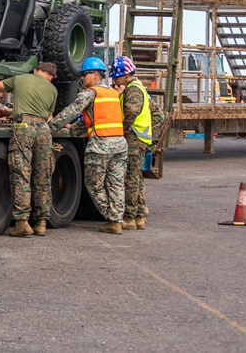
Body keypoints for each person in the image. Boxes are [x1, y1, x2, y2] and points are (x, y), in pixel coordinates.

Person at [49, 57, 128, 234]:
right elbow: (98, 118)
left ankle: (111, 217)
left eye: (84, 75)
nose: (82, 79)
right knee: (116, 184)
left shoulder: (90, 93)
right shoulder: (113, 94)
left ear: (95, 75)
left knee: (93, 183)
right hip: (120, 145)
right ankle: (116, 220)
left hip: (101, 145)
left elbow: (71, 111)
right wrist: (75, 128)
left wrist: (51, 127)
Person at [0, 62, 58, 237]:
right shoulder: (53, 90)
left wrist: (0, 106)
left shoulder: (20, 79)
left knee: (21, 174)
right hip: (43, 130)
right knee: (43, 176)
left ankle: (22, 223)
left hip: (23, 128)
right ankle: (41, 223)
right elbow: (46, 115)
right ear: (50, 77)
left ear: (35, 71)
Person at [110, 56, 163, 230]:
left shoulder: (133, 90)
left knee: (130, 179)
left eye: (116, 77)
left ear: (126, 76)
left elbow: (130, 112)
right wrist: (151, 136)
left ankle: (130, 217)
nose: (114, 81)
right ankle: (140, 215)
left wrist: (122, 131)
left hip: (133, 139)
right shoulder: (139, 88)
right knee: (137, 178)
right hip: (141, 139)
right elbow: (158, 115)